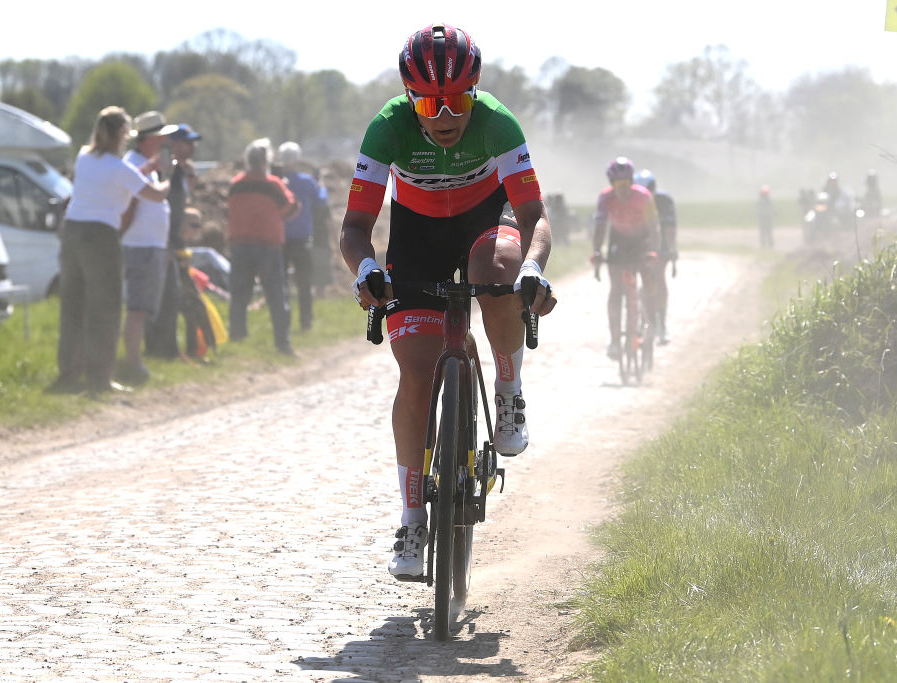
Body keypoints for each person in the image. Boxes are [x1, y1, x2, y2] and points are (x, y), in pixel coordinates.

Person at [339, 23, 557, 581]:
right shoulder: (386, 128)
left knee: (497, 272)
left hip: (489, 219)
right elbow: (356, 228)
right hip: (418, 236)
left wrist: (534, 268)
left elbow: (533, 216)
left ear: (475, 92)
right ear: (409, 98)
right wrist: (366, 268)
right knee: (416, 372)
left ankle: (508, 389)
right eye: (429, 104)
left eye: (458, 100)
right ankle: (413, 518)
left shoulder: (497, 122)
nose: (444, 116)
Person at [49, 106, 168, 395]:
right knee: (105, 309)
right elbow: (155, 194)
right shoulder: (119, 168)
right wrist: (169, 175)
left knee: (74, 306)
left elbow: (114, 180)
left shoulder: (84, 157)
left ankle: (69, 374)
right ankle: (100, 378)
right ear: (122, 134)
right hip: (100, 236)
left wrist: (144, 170)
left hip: (73, 233)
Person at [119, 110, 178, 385]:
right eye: (162, 137)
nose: (166, 142)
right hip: (139, 245)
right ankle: (132, 362)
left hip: (148, 245)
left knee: (142, 307)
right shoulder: (134, 164)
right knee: (138, 308)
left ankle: (134, 359)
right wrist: (164, 175)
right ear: (150, 139)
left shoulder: (146, 165)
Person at [226, 137, 299, 355]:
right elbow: (290, 209)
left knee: (239, 294)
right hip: (268, 245)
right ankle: (282, 343)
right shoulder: (273, 184)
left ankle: (237, 339)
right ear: (266, 160)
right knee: (276, 294)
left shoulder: (236, 184)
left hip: (240, 243)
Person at [592, 158, 661, 360]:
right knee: (616, 288)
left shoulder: (643, 196)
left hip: (642, 239)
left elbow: (654, 227)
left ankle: (650, 323)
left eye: (626, 183)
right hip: (619, 240)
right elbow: (600, 227)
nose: (623, 188)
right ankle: (614, 340)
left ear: (632, 181)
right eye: (618, 184)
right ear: (612, 184)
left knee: (647, 280)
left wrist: (654, 251)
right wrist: (597, 251)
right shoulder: (605, 198)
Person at [145, 122, 202, 360]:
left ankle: (168, 349)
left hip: (173, 239)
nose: (192, 148)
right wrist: (168, 241)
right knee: (167, 296)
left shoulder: (177, 169)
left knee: (173, 296)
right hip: (163, 239)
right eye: (187, 143)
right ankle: (164, 350)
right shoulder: (165, 167)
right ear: (172, 143)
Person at [277, 141, 327, 331]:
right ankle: (305, 322)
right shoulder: (306, 181)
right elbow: (321, 201)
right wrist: (320, 183)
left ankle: (282, 321)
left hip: (280, 238)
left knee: (281, 282)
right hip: (302, 238)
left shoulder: (276, 181)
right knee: (304, 283)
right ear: (297, 159)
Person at [634, 168, 676, 344]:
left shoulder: (664, 200)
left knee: (658, 278)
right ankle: (641, 320)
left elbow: (669, 228)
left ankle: (661, 323)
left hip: (661, 244)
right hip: (640, 241)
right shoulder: (634, 199)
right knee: (641, 282)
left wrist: (671, 250)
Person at [757, 184, 774, 248]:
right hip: (764, 218)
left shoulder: (768, 200)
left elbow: (771, 209)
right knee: (765, 232)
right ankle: (764, 244)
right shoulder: (762, 200)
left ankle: (769, 244)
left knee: (768, 232)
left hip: (767, 218)